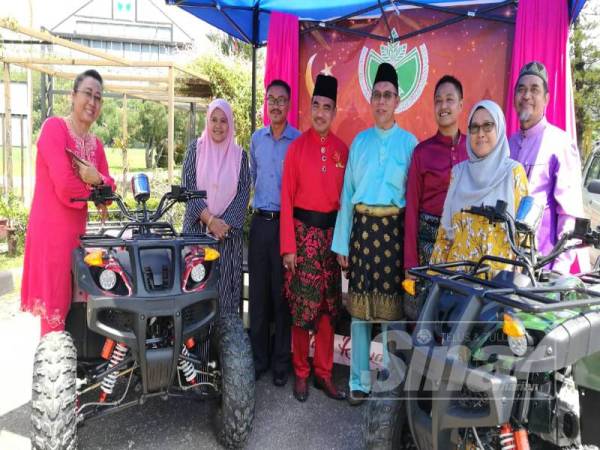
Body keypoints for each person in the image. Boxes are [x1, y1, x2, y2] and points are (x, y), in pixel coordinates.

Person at [331, 62, 418, 405]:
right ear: (371, 100)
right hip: (363, 234)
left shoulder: (411, 144)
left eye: (388, 95)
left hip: (394, 236)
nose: (382, 101)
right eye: (377, 95)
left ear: (398, 100)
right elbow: (347, 196)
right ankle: (359, 381)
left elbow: (411, 201)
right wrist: (343, 243)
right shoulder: (360, 143)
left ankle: (392, 381)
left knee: (393, 312)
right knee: (360, 312)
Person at [21, 69, 115, 336]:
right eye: (87, 93)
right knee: (54, 317)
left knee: (78, 313)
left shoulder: (95, 145)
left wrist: (97, 178)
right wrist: (97, 185)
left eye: (98, 97)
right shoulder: (54, 128)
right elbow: (65, 186)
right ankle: (51, 375)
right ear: (73, 96)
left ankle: (69, 370)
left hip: (79, 238)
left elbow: (109, 189)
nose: (92, 102)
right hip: (51, 235)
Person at [280, 74, 349, 402]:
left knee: (326, 310)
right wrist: (288, 247)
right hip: (301, 236)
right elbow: (286, 200)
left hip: (331, 240)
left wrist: (343, 243)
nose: (321, 113)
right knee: (301, 311)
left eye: (327, 107)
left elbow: (346, 203)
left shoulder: (342, 150)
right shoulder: (296, 148)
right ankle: (301, 373)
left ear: (335, 111)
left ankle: (323, 373)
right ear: (310, 108)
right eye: (316, 106)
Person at [430, 100, 528, 274]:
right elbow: (445, 235)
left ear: (499, 129)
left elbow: (524, 240)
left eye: (488, 126)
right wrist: (433, 281)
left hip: (495, 290)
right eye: (474, 127)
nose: (480, 133)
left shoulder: (513, 173)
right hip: (456, 286)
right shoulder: (458, 173)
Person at [508, 61, 587, 273]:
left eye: (535, 89)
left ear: (546, 99)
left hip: (540, 268)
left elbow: (569, 216)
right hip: (504, 264)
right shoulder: (508, 144)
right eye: (521, 89)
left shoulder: (560, 144)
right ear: (515, 98)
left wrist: (559, 271)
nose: (526, 96)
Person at [249, 80, 300, 386]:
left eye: (282, 100)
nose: (276, 105)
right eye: (272, 99)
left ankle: (282, 362)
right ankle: (258, 359)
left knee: (282, 297)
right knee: (258, 296)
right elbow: (252, 178)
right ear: (266, 103)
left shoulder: (298, 140)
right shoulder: (256, 139)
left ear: (289, 105)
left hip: (286, 225)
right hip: (260, 224)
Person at [182, 98, 251, 317]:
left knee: (226, 298)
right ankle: (197, 352)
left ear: (230, 124)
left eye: (223, 121)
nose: (218, 126)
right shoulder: (195, 150)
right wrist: (210, 220)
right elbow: (188, 190)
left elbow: (243, 193)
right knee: (196, 292)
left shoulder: (240, 156)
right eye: (214, 120)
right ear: (207, 121)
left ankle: (227, 350)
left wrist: (223, 225)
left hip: (227, 239)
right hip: (198, 234)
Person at [404, 75, 467, 276]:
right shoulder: (422, 152)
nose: (443, 106)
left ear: (461, 105)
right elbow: (412, 209)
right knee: (427, 305)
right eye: (438, 100)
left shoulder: (474, 148)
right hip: (427, 246)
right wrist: (410, 263)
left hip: (465, 243)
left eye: (449, 99)